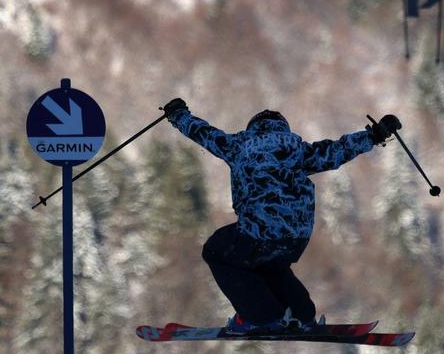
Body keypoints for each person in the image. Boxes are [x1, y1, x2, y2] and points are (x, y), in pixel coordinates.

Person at [162, 98, 402, 335]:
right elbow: (337, 150)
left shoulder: (240, 145)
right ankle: (300, 314)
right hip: (297, 235)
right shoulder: (298, 150)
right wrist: (375, 135)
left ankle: (260, 317)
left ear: (253, 128)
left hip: (259, 230)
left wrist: (178, 115)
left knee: (216, 251)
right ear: (283, 128)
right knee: (268, 265)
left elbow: (204, 133)